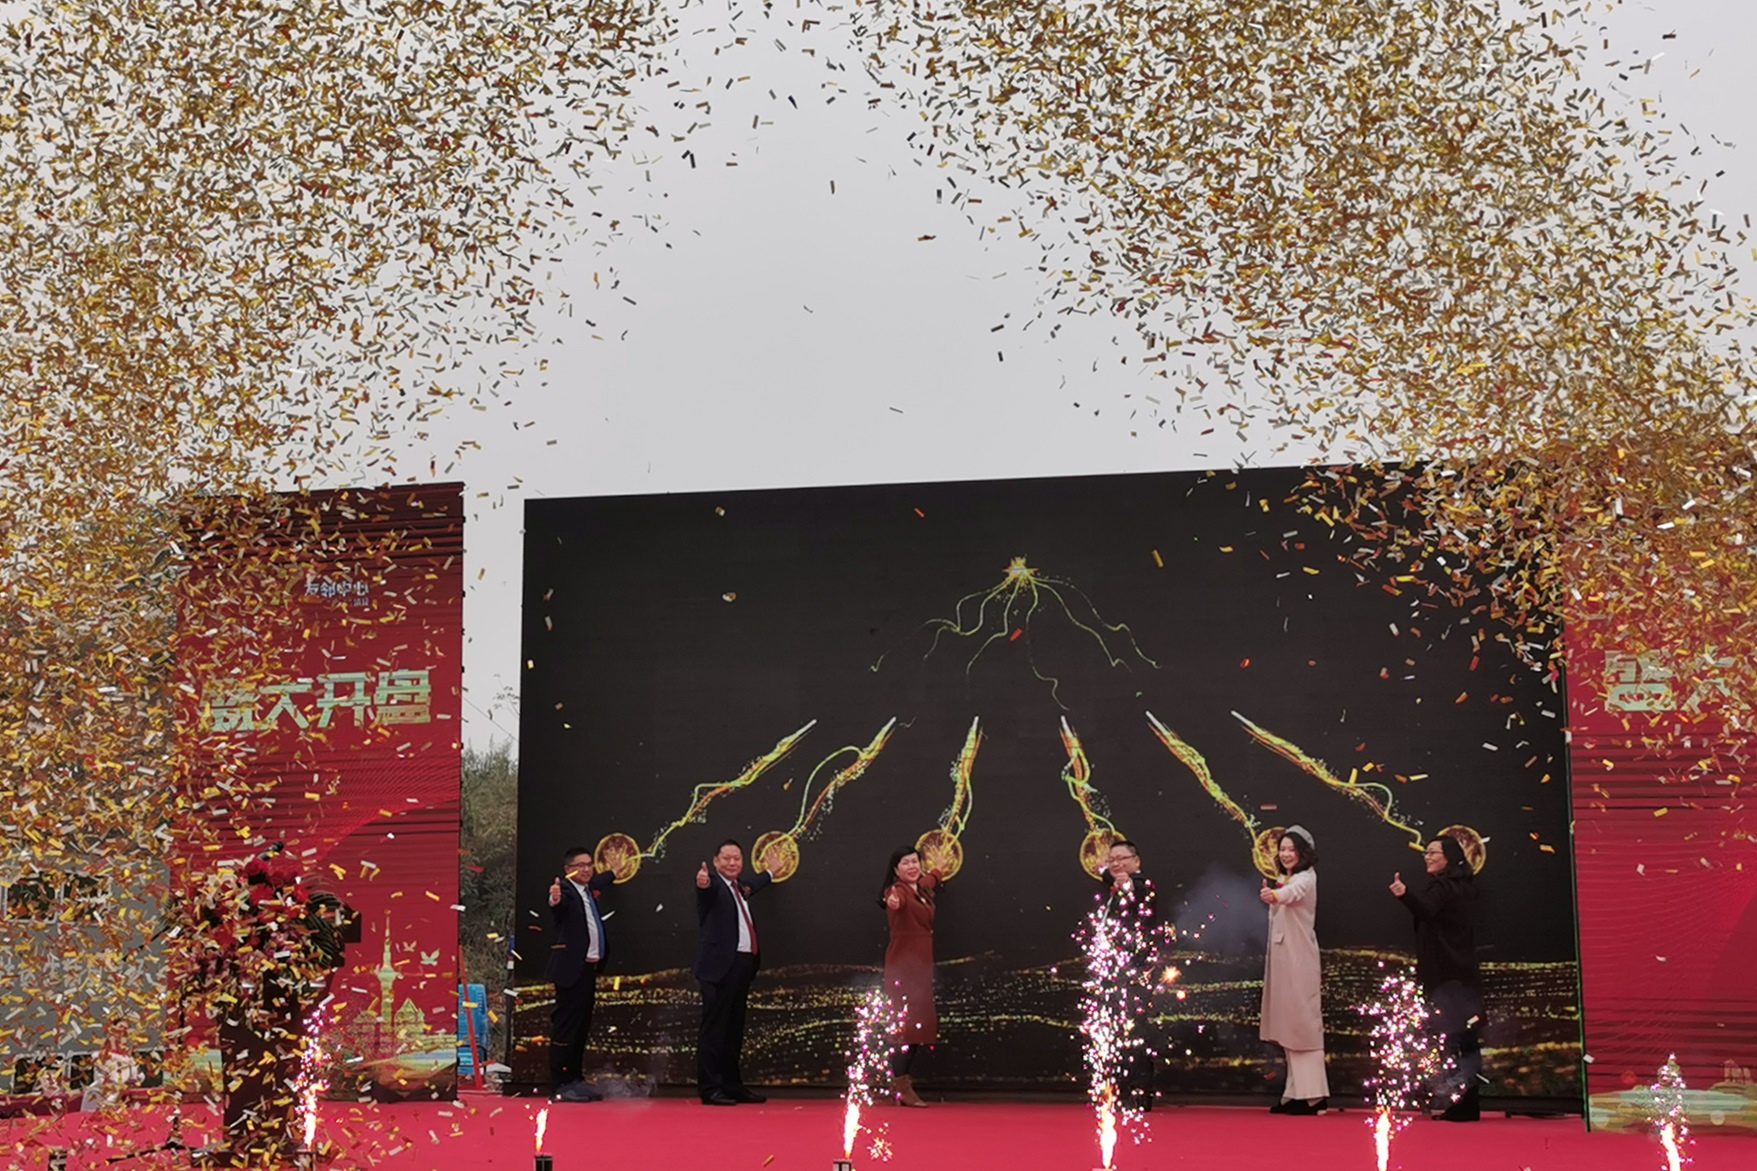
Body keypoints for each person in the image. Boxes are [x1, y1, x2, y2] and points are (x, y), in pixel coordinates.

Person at [1390, 836, 1482, 1122]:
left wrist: (1405, 894)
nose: (1427, 857)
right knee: (1466, 1038)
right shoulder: (1464, 886)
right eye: (1426, 852)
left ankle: (1463, 1103)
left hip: (1446, 973)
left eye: (1433, 852)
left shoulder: (1442, 887)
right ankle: (1469, 1101)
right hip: (1463, 973)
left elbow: (1426, 909)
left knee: (1453, 1038)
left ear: (1448, 857)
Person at [694, 838, 776, 1105]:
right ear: (716, 862)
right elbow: (705, 890)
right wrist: (702, 883)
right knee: (715, 1030)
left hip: (742, 966)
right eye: (726, 858)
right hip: (718, 969)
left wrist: (770, 872)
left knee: (733, 1029)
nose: (732, 863)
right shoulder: (714, 885)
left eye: (737, 858)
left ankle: (731, 1085)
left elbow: (754, 885)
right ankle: (710, 1088)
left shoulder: (739, 887)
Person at [1259, 825, 1328, 1115]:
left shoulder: (1305, 878)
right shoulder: (1284, 879)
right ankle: (1296, 1093)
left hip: (1298, 959)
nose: (1286, 854)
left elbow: (1291, 894)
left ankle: (1314, 1096)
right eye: (1283, 849)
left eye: (1292, 849)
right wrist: (1276, 893)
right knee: (1290, 1025)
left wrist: (1275, 896)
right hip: (1284, 958)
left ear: (1303, 853)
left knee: (1303, 1026)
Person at [547, 844, 616, 1102]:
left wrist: (614, 873)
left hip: (588, 969)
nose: (586, 870)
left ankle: (575, 1079)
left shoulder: (587, 889)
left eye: (589, 865)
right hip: (570, 971)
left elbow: (599, 880)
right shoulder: (566, 890)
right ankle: (561, 1083)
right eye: (580, 866)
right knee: (566, 1027)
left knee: (581, 1027)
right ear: (568, 870)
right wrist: (554, 899)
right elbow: (557, 904)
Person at [1096, 838, 1160, 1111]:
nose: (1116, 864)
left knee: (1136, 1032)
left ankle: (1139, 1093)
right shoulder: (1113, 882)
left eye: (1122, 859)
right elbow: (1104, 873)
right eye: (1113, 859)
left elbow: (1137, 888)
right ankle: (1121, 1090)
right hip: (1114, 971)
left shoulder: (1143, 885)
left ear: (1137, 861)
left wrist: (1126, 885)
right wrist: (1109, 869)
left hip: (1135, 972)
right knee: (1116, 1032)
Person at [880, 847, 944, 1107]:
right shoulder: (898, 891)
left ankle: (900, 1083)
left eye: (915, 862)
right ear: (896, 870)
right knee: (905, 1029)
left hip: (921, 969)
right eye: (905, 863)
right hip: (903, 969)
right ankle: (901, 1086)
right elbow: (894, 900)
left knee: (918, 1027)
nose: (912, 867)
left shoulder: (921, 889)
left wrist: (938, 870)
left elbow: (930, 880)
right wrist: (892, 901)